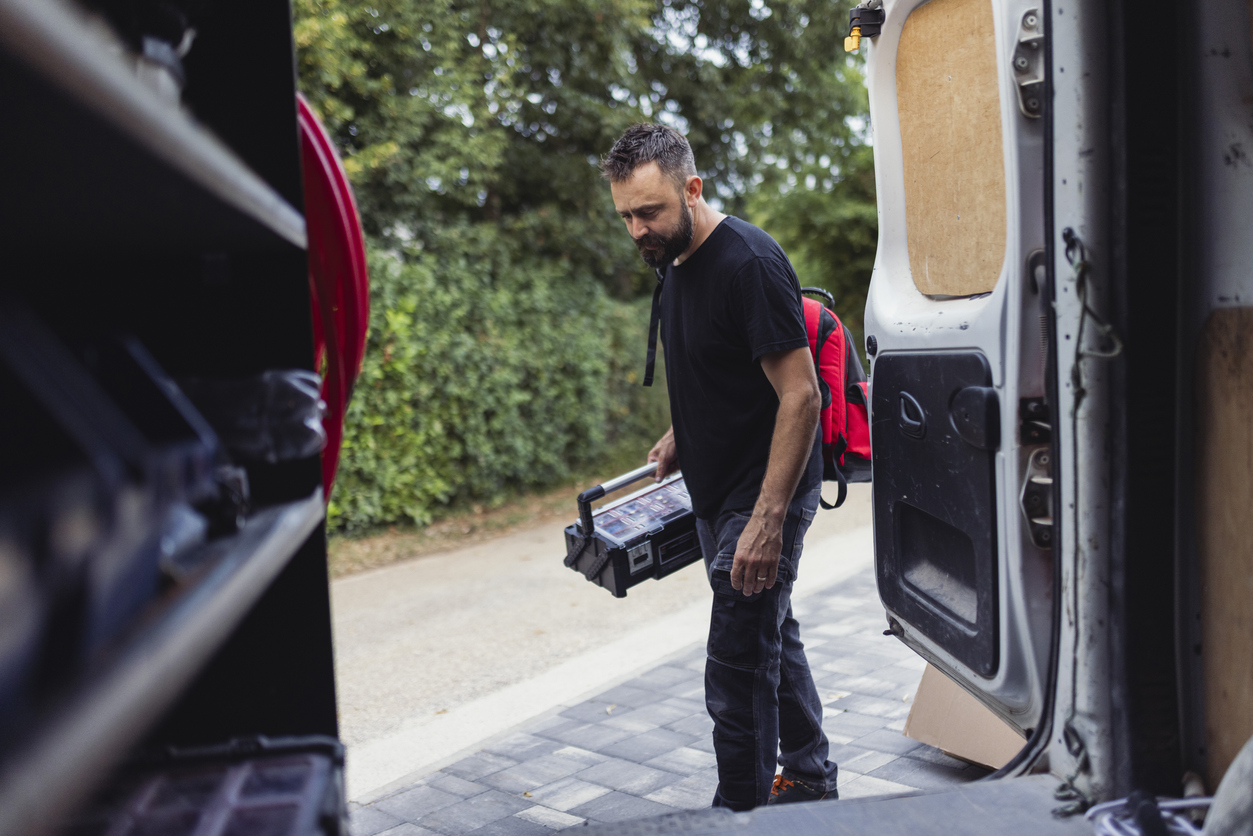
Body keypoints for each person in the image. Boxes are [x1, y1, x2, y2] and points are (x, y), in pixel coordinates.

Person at [601, 123, 839, 810]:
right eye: (626, 216)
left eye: (649, 211)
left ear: (692, 188)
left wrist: (765, 523)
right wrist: (681, 431)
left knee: (734, 674)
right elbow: (722, 364)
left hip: (762, 495)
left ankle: (739, 815)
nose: (638, 230)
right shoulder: (673, 260)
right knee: (769, 636)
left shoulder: (748, 264)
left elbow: (800, 393)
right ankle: (811, 774)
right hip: (715, 491)